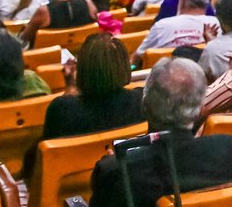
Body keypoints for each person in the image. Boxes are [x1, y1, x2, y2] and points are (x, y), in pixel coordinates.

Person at [83, 57, 232, 207]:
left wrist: (119, 165)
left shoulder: (114, 169)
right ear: (200, 109)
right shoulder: (228, 149)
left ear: (144, 105)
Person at [23, 33, 145, 177]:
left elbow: (45, 160)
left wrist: (70, 87)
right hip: (122, 183)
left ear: (82, 69)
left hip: (67, 192)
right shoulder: (141, 99)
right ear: (125, 67)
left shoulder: (62, 108)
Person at [133, 0, 222, 66]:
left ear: (182, 2)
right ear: (207, 4)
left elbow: (136, 59)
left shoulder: (161, 26)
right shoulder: (217, 24)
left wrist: (132, 68)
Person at [20, 0, 98, 47]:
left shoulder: (44, 12)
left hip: (49, 57)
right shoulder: (88, 3)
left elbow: (24, 38)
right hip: (82, 54)